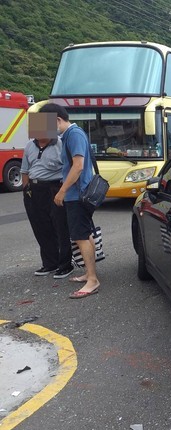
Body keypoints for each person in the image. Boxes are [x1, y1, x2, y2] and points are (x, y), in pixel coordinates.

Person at [42, 103, 101, 299]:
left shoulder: (74, 135)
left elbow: (77, 167)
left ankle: (92, 280)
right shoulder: (72, 135)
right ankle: (89, 273)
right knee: (85, 234)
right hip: (79, 195)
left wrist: (62, 191)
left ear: (57, 120)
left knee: (80, 236)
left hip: (77, 196)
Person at [20, 114, 73, 278]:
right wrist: (26, 188)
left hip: (54, 188)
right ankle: (50, 263)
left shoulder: (60, 144)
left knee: (60, 228)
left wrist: (63, 191)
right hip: (34, 191)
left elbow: (69, 169)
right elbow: (24, 170)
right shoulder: (30, 145)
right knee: (40, 228)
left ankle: (65, 264)